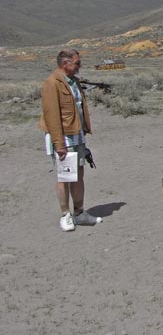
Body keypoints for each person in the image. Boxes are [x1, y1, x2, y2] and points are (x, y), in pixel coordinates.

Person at [40, 48, 102, 231]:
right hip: (63, 139)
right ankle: (65, 214)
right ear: (65, 63)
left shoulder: (73, 82)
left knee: (78, 175)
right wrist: (59, 144)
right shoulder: (52, 83)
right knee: (64, 176)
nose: (79, 66)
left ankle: (80, 213)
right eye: (76, 63)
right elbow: (51, 116)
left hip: (77, 136)